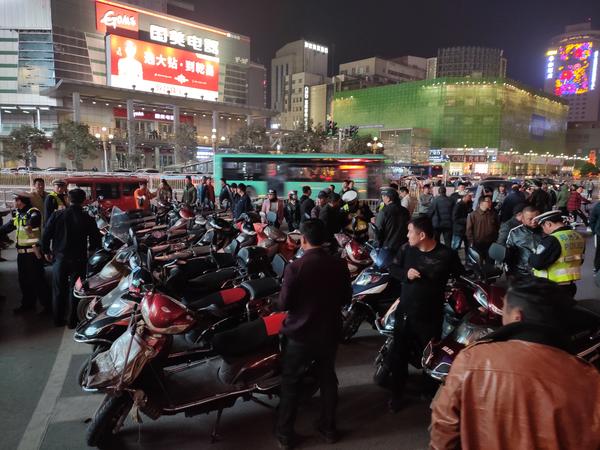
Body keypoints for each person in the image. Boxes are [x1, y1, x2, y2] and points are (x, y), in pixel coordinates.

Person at [430, 277, 600, 450]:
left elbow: (443, 431)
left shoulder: (470, 360)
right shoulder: (587, 379)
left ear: (518, 316)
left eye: (504, 311)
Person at [275, 219, 352, 448]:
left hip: (299, 334)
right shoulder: (339, 264)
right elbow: (346, 298)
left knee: (291, 382)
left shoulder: (295, 267)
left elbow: (283, 304)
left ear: (303, 240)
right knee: (328, 379)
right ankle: (329, 429)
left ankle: (285, 435)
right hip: (329, 332)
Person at [387, 217, 463, 411]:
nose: (407, 235)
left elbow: (461, 276)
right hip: (405, 313)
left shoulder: (447, 254)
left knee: (430, 355)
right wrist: (406, 274)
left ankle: (428, 391)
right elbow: (392, 268)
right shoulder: (406, 249)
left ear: (422, 235)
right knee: (399, 354)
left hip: (431, 315)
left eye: (410, 231)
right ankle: (396, 394)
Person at [42, 189, 101, 328]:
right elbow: (95, 239)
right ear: (84, 201)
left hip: (60, 258)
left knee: (58, 289)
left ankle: (58, 319)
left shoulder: (57, 215)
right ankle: (72, 321)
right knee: (75, 289)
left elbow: (46, 234)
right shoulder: (87, 218)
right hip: (78, 259)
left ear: (68, 199)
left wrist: (46, 251)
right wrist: (91, 251)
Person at [0, 192, 51, 314]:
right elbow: (7, 227)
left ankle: (48, 306)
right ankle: (28, 304)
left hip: (32, 253)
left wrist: (28, 223)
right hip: (21, 254)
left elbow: (34, 221)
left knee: (38, 280)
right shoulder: (18, 214)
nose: (13, 202)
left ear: (20, 201)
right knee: (24, 281)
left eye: (15, 200)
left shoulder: (33, 212)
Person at [529, 210, 585, 298]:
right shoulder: (577, 236)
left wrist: (532, 256)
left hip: (552, 287)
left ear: (548, 224)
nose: (543, 230)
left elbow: (537, 263)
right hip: (570, 286)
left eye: (542, 227)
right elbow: (580, 260)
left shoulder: (552, 240)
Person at [505, 206, 542, 279]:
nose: (534, 221)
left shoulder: (546, 230)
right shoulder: (515, 232)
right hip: (522, 273)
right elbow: (508, 253)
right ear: (523, 219)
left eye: (536, 218)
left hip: (542, 272)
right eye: (530, 219)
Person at [374, 187, 410, 255]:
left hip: (388, 247)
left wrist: (377, 246)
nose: (382, 199)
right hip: (403, 246)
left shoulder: (384, 212)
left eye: (383, 196)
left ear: (388, 198)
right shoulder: (405, 211)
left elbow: (378, 231)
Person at [466, 195, 499, 260]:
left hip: (491, 243)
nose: (490, 203)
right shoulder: (473, 215)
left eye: (490, 201)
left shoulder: (493, 214)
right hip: (477, 244)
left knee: (490, 262)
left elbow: (497, 227)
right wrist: (471, 242)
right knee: (478, 262)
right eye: (488, 201)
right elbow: (469, 230)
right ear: (481, 203)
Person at [590, 200, 600, 273]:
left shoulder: (598, 206)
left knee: (599, 251)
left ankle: (597, 267)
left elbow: (592, 220)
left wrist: (594, 231)